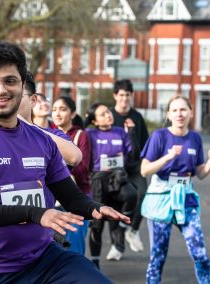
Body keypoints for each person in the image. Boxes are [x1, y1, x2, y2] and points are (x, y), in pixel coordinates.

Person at [0, 41, 129, 284]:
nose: (1, 89)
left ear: (22, 85)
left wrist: (94, 207)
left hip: (45, 259)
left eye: (9, 81)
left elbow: (70, 197)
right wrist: (36, 214)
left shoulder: (43, 140)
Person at [140, 95, 210, 284]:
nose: (179, 114)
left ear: (191, 113)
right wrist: (167, 158)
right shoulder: (160, 136)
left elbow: (200, 173)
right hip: (161, 199)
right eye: (175, 110)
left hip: (186, 199)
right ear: (169, 114)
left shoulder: (194, 138)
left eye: (183, 110)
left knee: (200, 253)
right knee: (158, 256)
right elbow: (144, 170)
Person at [85, 102, 138, 268]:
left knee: (131, 195)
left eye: (108, 111)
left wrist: (132, 133)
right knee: (97, 225)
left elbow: (134, 155)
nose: (108, 115)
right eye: (102, 114)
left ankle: (122, 229)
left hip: (117, 178)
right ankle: (95, 264)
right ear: (94, 121)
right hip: (97, 180)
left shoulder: (121, 132)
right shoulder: (89, 133)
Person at [110, 79, 148, 252]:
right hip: (114, 168)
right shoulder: (109, 116)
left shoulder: (137, 117)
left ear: (132, 96)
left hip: (134, 167)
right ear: (115, 96)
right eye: (121, 95)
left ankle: (132, 230)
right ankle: (116, 247)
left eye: (128, 95)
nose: (125, 98)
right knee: (116, 205)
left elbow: (145, 144)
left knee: (143, 195)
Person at [52, 96, 91, 255]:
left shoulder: (81, 136)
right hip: (52, 201)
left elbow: (82, 170)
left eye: (63, 109)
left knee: (74, 250)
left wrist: (58, 170)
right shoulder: (46, 133)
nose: (57, 113)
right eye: (54, 109)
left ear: (73, 113)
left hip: (76, 198)